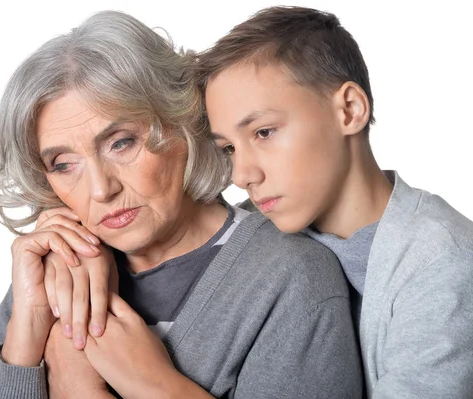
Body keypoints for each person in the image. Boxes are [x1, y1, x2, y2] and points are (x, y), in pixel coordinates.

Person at [0, 10, 363, 399]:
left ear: (183, 120)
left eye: (121, 142)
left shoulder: (291, 277)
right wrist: (29, 324)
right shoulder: (59, 271)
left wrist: (81, 389)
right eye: (63, 164)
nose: (100, 190)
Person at [196, 5, 473, 398]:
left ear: (349, 110)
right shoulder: (250, 230)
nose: (242, 175)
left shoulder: (443, 266)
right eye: (228, 148)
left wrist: (154, 382)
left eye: (263, 132)